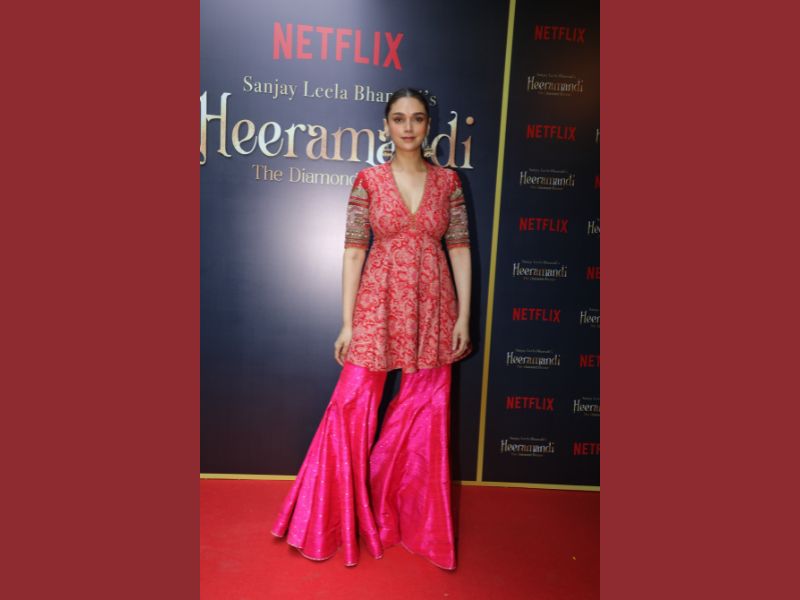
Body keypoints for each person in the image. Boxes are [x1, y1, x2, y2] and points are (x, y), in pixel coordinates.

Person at [270, 88, 472, 571]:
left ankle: (407, 519)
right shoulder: (368, 180)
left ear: (428, 125)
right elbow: (354, 251)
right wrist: (347, 322)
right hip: (377, 304)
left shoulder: (449, 182)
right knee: (351, 403)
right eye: (399, 119)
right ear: (386, 125)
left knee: (425, 411)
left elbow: (460, 249)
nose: (408, 127)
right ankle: (329, 519)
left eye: (417, 118)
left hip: (434, 306)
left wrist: (464, 316)